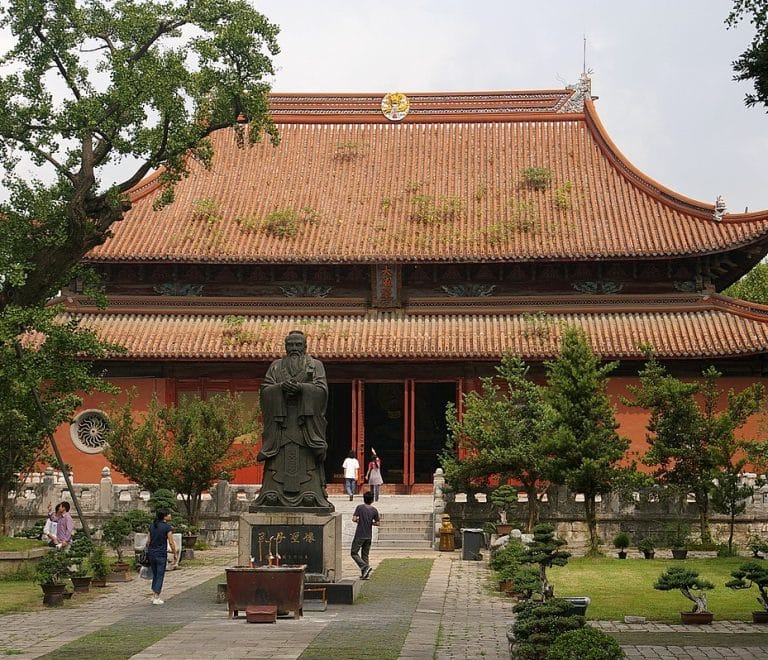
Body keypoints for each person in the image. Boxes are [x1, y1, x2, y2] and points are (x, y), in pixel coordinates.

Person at [253, 330, 333, 509]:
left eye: (298, 345)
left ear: (305, 346)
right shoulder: (275, 366)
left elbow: (322, 391)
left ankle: (311, 493)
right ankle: (272, 494)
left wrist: (303, 389)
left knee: (308, 464)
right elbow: (265, 391)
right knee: (277, 463)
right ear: (285, 346)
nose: (294, 348)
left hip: (305, 425)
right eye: (290, 345)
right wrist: (280, 387)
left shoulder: (315, 365)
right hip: (281, 426)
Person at [147, 509, 178, 605]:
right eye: (169, 514)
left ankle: (153, 594)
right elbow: (171, 542)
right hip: (161, 554)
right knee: (160, 575)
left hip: (151, 553)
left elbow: (148, 540)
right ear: (164, 516)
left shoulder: (152, 526)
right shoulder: (167, 527)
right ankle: (156, 596)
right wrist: (174, 553)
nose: (170, 515)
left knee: (155, 574)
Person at [351, 491, 380, 580]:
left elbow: (354, 519)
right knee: (365, 554)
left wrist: (358, 521)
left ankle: (364, 567)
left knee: (354, 552)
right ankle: (365, 574)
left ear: (364, 499)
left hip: (360, 534)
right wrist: (370, 523)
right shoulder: (374, 510)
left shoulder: (359, 508)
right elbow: (378, 523)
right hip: (368, 535)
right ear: (372, 500)